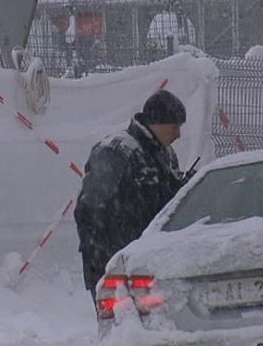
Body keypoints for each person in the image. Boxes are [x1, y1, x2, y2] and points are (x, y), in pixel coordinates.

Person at [74, 89, 189, 304]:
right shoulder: (116, 151)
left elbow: (164, 206)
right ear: (158, 122)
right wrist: (105, 256)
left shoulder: (165, 153)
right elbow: (89, 209)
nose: (178, 134)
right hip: (114, 263)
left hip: (149, 260)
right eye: (175, 127)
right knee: (121, 326)